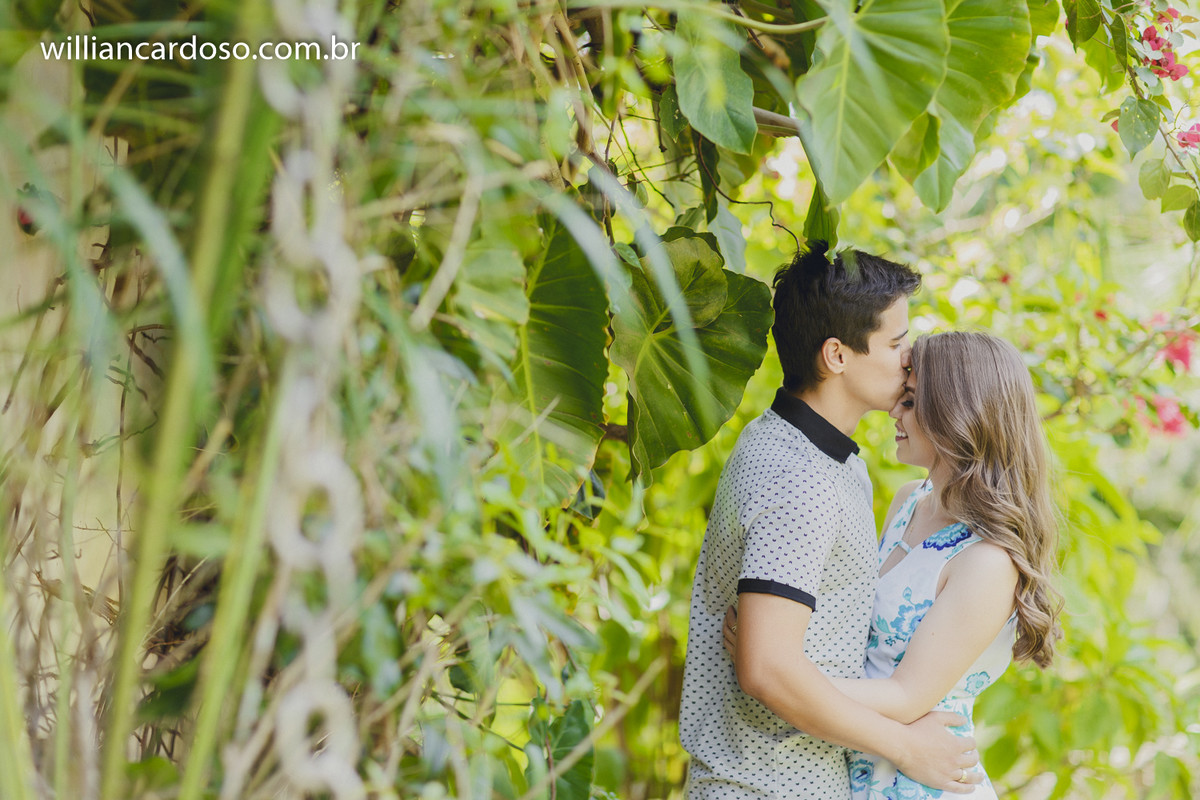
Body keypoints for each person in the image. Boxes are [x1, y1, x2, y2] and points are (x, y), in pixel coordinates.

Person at [679, 241, 983, 800]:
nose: (910, 358)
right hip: (761, 786)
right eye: (896, 343)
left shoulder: (822, 458)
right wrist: (908, 747)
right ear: (838, 356)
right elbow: (766, 670)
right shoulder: (799, 480)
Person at [724, 331, 1063, 799]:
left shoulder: (986, 562)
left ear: (956, 415)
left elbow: (906, 696)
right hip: (854, 762)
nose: (893, 413)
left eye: (909, 401)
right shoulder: (908, 503)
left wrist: (778, 670)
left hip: (923, 778)